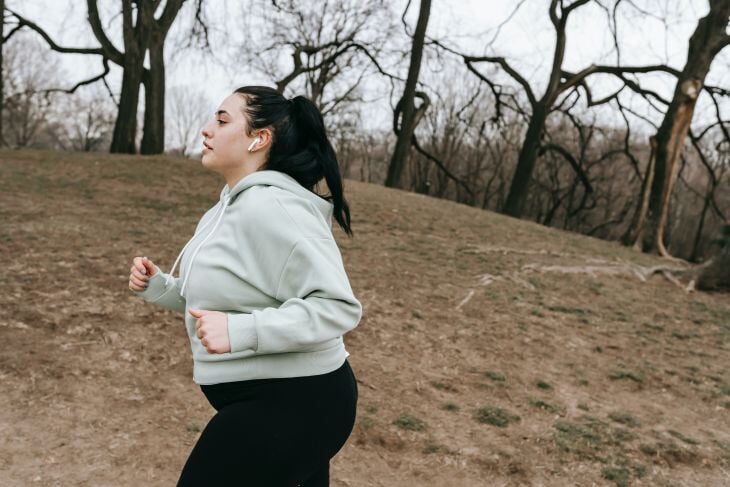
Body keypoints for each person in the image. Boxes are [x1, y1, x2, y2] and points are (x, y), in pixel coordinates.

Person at [127, 85, 362, 486]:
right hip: (274, 400)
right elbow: (226, 295)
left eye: (221, 121)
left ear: (260, 138)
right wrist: (160, 286)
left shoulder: (275, 207)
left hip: (298, 401)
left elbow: (337, 307)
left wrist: (240, 331)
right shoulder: (228, 206)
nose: (206, 130)